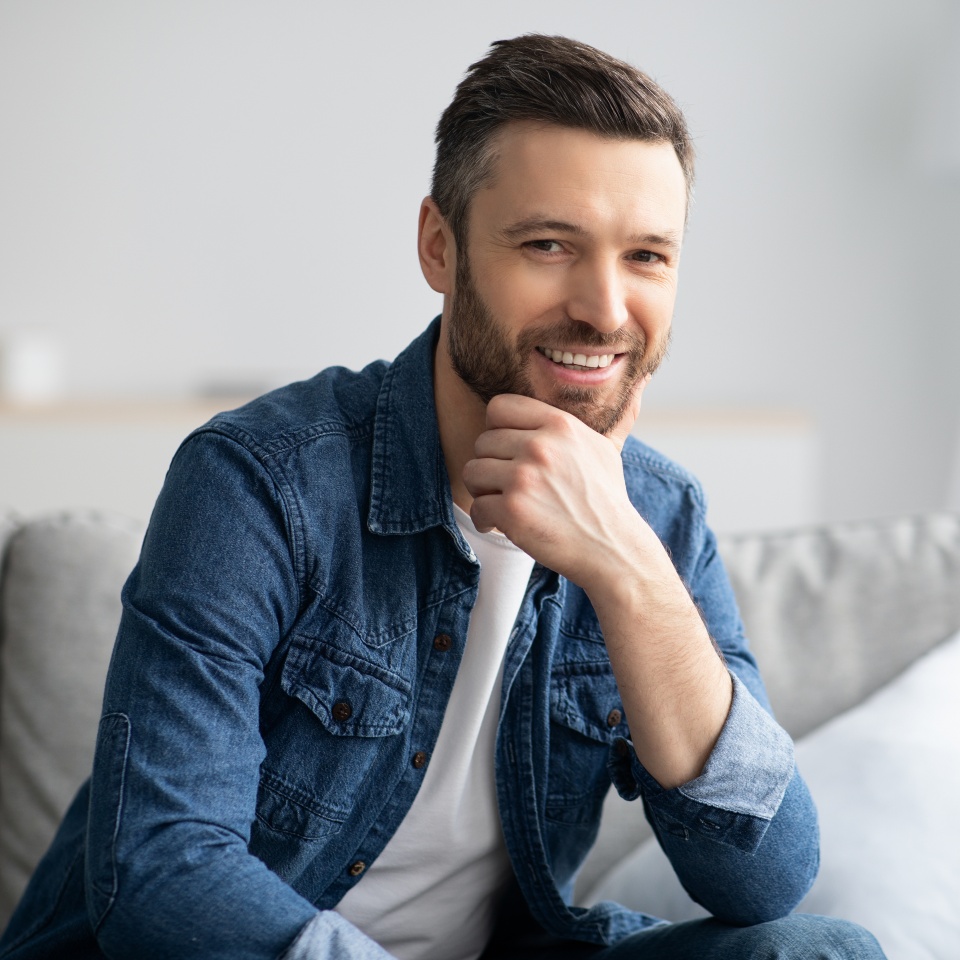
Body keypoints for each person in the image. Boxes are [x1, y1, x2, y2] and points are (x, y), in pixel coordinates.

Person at [0, 33, 885, 960]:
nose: (606, 309)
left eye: (648, 257)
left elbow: (764, 882)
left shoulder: (661, 516)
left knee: (820, 951)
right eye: (549, 244)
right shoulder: (259, 481)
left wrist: (625, 566)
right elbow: (162, 868)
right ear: (440, 246)